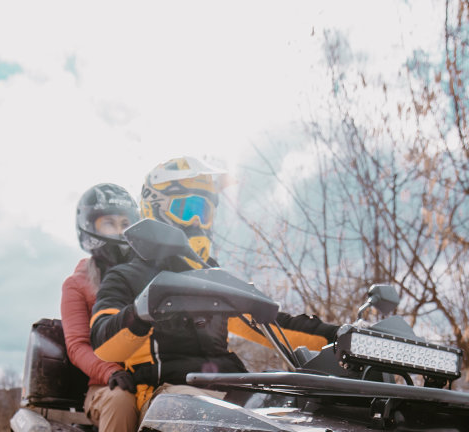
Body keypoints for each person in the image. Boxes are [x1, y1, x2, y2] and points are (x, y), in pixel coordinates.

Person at [88, 157, 337, 410]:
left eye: (203, 212)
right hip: (164, 394)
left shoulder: (211, 278)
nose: (197, 221)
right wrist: (141, 311)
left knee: (304, 407)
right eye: (186, 209)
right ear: (154, 210)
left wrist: (341, 336)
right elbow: (103, 344)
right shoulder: (125, 275)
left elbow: (270, 324)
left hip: (230, 391)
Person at [61, 183, 142, 432]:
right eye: (109, 222)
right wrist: (110, 372)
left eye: (125, 223)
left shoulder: (148, 274)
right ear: (89, 226)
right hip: (107, 386)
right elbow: (77, 345)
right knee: (120, 401)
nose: (119, 231)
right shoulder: (78, 283)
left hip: (152, 374)